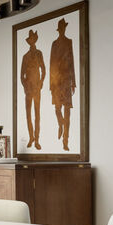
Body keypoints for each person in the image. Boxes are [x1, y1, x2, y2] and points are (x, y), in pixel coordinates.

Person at [49, 17, 76, 152]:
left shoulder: (69, 42)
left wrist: (74, 82)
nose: (62, 30)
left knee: (67, 112)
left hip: (66, 80)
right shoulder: (54, 44)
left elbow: (72, 63)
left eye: (63, 28)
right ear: (59, 30)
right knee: (57, 109)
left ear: (64, 29)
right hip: (56, 81)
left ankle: (66, 140)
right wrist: (51, 84)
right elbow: (51, 64)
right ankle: (61, 124)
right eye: (61, 28)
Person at [19, 29, 45, 150]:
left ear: (35, 40)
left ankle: (37, 139)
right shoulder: (25, 57)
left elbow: (43, 70)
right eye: (30, 40)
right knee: (28, 115)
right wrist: (25, 87)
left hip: (37, 89)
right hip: (28, 89)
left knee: (37, 115)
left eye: (33, 40)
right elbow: (21, 75)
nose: (32, 42)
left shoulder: (39, 53)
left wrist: (40, 83)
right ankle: (31, 138)